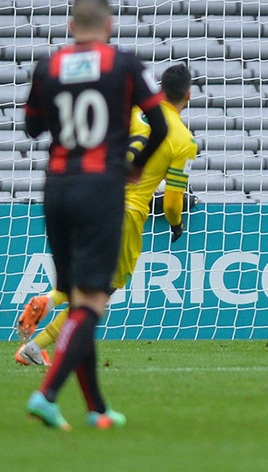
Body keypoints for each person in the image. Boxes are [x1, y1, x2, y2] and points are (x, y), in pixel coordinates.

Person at [22, 0, 169, 430]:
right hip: (101, 188)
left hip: (56, 188)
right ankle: (47, 394)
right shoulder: (124, 63)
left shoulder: (48, 66)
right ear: (109, 26)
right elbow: (160, 125)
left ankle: (97, 410)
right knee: (92, 302)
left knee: (76, 298)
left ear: (71, 27)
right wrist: (136, 167)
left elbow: (32, 127)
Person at [15, 64, 198, 368]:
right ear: (188, 95)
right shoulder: (184, 140)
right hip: (127, 212)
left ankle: (45, 312)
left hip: (92, 197)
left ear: (160, 89)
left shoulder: (134, 111)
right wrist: (176, 224)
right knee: (100, 291)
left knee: (86, 278)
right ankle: (37, 338)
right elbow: (171, 203)